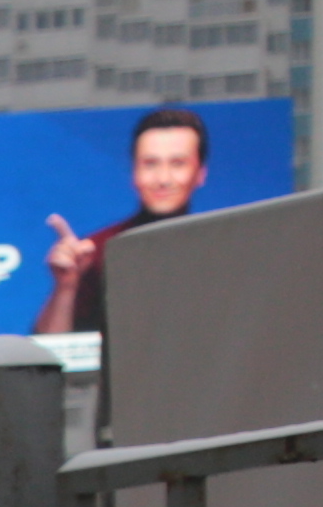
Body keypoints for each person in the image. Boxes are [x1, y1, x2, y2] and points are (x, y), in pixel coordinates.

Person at [47, 104, 211, 338]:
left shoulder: (225, 250)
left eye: (178, 164)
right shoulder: (96, 251)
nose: (163, 179)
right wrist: (66, 286)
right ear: (134, 173)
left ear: (200, 173)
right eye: (150, 164)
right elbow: (54, 353)